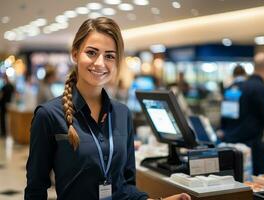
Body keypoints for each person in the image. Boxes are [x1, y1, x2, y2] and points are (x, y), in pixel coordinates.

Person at [25, 17, 190, 200]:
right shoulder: (49, 115)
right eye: (91, 52)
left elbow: (126, 188)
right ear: (75, 54)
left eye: (109, 56)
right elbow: (35, 190)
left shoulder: (122, 114)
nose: (100, 63)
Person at [218, 53, 264, 175]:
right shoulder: (259, 87)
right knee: (253, 183)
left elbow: (225, 116)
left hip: (230, 143)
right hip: (251, 145)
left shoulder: (232, 88)